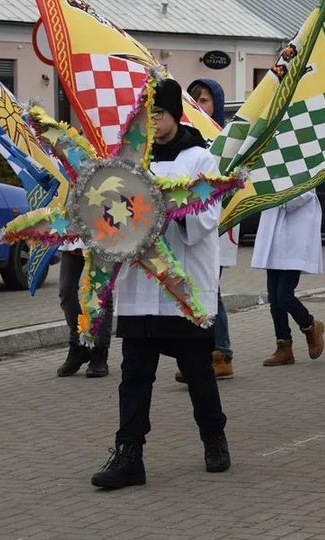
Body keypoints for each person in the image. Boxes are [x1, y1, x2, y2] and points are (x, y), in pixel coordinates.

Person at [92, 78, 229, 490]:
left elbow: (207, 219)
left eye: (160, 112)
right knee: (134, 376)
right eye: (148, 113)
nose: (154, 120)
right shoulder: (130, 161)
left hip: (180, 290)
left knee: (198, 372)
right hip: (137, 291)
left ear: (175, 114)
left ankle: (213, 437)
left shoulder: (201, 160)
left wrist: (163, 202)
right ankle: (129, 455)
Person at [172, 78, 234, 381]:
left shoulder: (223, 143)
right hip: (190, 232)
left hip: (216, 226)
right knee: (198, 287)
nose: (199, 106)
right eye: (194, 101)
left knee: (212, 289)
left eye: (205, 101)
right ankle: (197, 352)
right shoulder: (189, 143)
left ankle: (220, 352)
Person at [252, 190, 325, 366]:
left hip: (294, 238)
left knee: (284, 296)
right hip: (273, 237)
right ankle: (283, 346)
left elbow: (303, 193)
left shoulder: (305, 163)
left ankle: (310, 326)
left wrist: (275, 195)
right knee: (274, 299)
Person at [56, 240, 112, 378]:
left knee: (100, 292)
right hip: (73, 237)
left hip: (101, 234)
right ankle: (78, 345)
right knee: (66, 290)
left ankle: (100, 351)